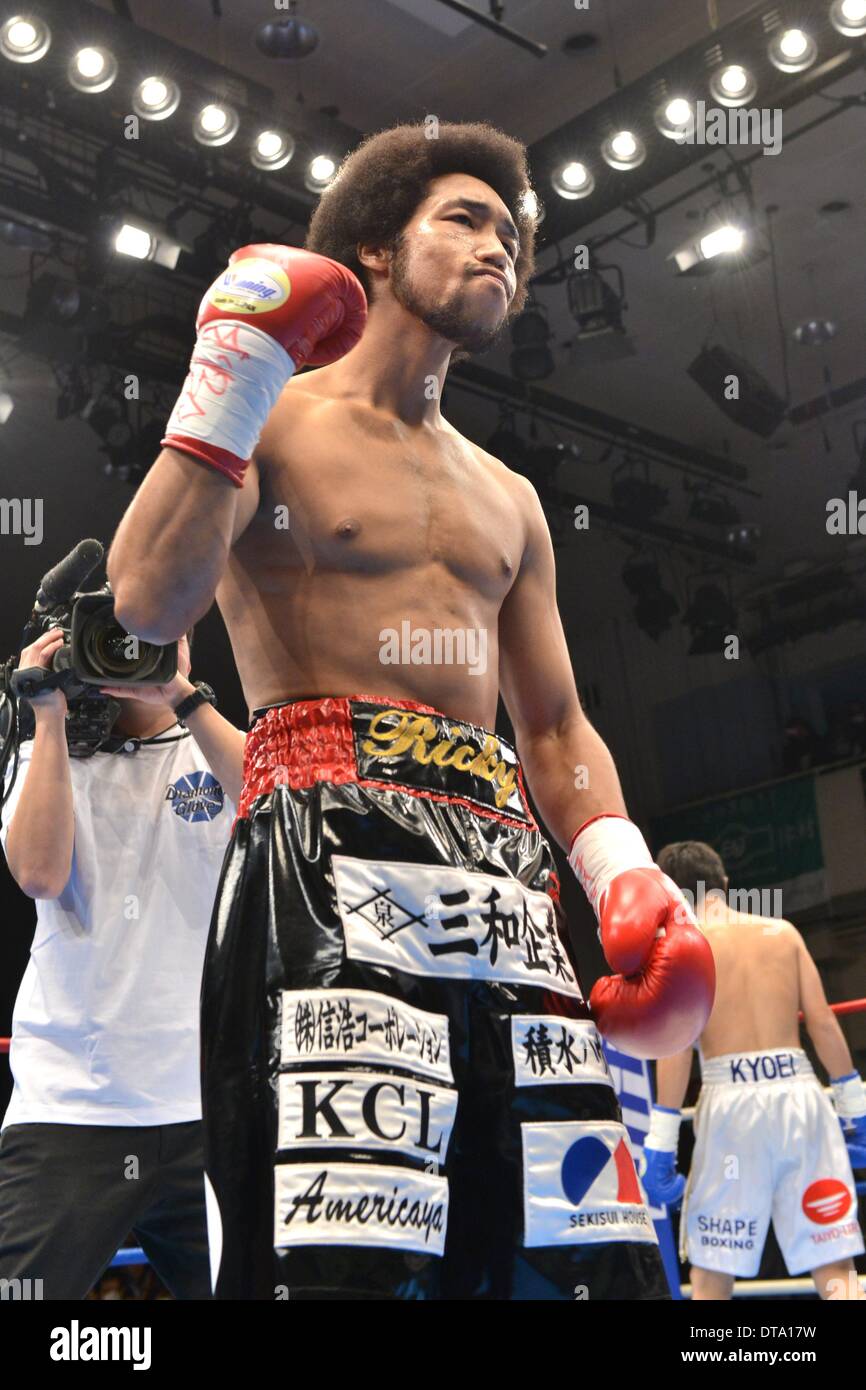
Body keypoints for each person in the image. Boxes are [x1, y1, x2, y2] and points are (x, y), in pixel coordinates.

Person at [106, 120, 714, 1300]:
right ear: (374, 250)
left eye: (513, 233)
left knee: (575, 1252)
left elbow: (551, 726)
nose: (502, 249)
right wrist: (229, 374)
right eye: (465, 219)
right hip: (325, 855)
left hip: (501, 878)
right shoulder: (275, 418)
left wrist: (622, 872)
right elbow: (138, 617)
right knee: (348, 1256)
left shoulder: (511, 497)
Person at [0, 624, 244, 1299]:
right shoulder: (39, 755)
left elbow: (282, 809)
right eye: (117, 633)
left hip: (208, 1114)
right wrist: (47, 717)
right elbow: (40, 875)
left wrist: (180, 695)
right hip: (71, 1110)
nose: (135, 646)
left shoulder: (215, 750)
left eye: (159, 626)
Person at [642, 840, 866, 1301]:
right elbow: (822, 1022)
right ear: (724, 885)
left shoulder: (681, 949)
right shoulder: (782, 934)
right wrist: (855, 1109)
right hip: (801, 1096)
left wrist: (661, 1144)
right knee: (834, 1264)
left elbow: (679, 1051)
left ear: (669, 894)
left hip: (732, 1112)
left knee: (711, 1273)